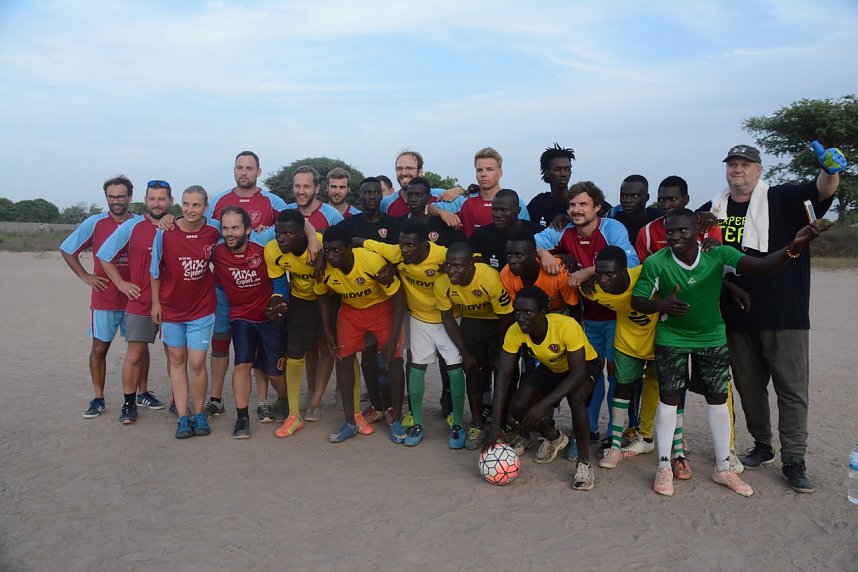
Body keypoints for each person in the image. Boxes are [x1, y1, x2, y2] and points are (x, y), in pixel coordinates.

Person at [631, 208, 823, 497]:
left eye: (682, 231)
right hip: (672, 337)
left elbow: (761, 267)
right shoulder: (657, 262)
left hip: (711, 337)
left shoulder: (717, 253)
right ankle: (664, 467)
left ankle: (723, 468)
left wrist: (794, 246)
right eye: (670, 232)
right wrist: (660, 306)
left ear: (697, 232)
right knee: (669, 400)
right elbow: (638, 300)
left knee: (718, 399)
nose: (674, 237)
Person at [704, 143, 845, 493]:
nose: (737, 169)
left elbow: (822, 191)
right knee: (749, 388)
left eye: (745, 164)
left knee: (792, 391)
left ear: (759, 170)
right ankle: (762, 446)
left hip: (785, 312)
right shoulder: (712, 209)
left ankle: (794, 460)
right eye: (732, 164)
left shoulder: (782, 199)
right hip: (736, 316)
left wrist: (830, 170)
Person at [535, 181, 638, 453]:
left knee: (618, 375)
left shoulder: (611, 228)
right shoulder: (566, 231)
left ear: (597, 207)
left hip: (617, 315)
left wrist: (588, 271)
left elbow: (632, 262)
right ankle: (589, 430)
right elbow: (532, 242)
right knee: (590, 376)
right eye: (572, 204)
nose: (576, 210)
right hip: (588, 317)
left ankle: (614, 435)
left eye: (583, 204)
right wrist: (545, 252)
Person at [360, 219, 468, 448]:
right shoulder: (397, 253)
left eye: (410, 245)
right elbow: (363, 242)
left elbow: (470, 260)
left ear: (425, 244)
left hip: (449, 317)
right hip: (419, 318)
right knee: (416, 368)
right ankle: (417, 422)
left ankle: (458, 423)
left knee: (455, 369)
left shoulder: (442, 255)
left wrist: (449, 267)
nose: (405, 250)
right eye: (402, 245)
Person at [484, 286, 601, 491]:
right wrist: (496, 424)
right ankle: (554, 438)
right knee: (518, 405)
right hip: (552, 367)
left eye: (528, 312)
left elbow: (578, 374)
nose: (521, 317)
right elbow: (503, 378)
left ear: (543, 312)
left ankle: (584, 463)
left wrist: (543, 405)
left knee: (576, 398)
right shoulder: (515, 331)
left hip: (583, 367)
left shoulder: (567, 326)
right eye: (517, 311)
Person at [204, 151, 289, 423]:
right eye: (239, 167)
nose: (244, 172)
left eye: (249, 168)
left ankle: (262, 402)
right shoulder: (218, 201)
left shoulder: (272, 201)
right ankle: (216, 400)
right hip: (224, 286)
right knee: (221, 341)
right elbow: (201, 228)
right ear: (234, 170)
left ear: (258, 172)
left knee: (254, 346)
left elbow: (295, 224)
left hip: (255, 285)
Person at [314, 225, 407, 444]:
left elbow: (399, 295)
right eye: (327, 251)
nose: (332, 255)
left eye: (336, 250)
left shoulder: (371, 262)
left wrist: (394, 335)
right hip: (351, 311)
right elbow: (322, 297)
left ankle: (396, 420)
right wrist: (328, 331)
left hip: (381, 308)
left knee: (393, 361)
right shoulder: (324, 268)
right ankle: (349, 421)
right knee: (343, 360)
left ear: (349, 248)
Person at [60, 175, 139, 419]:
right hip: (105, 297)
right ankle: (98, 397)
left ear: (130, 197)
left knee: (139, 350)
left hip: (135, 297)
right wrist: (85, 276)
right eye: (111, 197)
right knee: (99, 348)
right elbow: (67, 248)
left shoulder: (139, 223)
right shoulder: (94, 223)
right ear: (106, 198)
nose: (116, 201)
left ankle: (142, 393)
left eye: (121, 196)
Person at [96, 180, 174, 424]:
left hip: (172, 302)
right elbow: (105, 256)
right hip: (140, 301)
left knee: (175, 354)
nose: (156, 203)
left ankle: (176, 399)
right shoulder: (132, 227)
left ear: (171, 202)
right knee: (135, 354)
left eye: (162, 199)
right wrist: (120, 283)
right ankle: (129, 403)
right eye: (152, 198)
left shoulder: (177, 226)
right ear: (145, 200)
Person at [150, 186, 221, 439]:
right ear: (180, 205)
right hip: (171, 309)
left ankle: (199, 413)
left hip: (201, 308)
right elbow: (155, 270)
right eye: (186, 204)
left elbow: (235, 239)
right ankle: (183, 417)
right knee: (177, 360)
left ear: (205, 207)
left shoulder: (215, 230)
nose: (191, 210)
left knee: (197, 362)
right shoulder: (166, 231)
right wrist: (156, 304)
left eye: (197, 205)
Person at [579, 247, 659, 471]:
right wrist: (586, 274)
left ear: (625, 271)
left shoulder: (643, 274)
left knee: (664, 390)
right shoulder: (592, 291)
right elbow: (571, 282)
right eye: (599, 274)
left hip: (656, 341)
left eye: (610, 274)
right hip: (626, 342)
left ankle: (657, 439)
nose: (603, 280)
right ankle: (614, 446)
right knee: (622, 388)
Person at [212, 206, 289, 439]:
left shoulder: (263, 251)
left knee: (275, 373)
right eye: (225, 228)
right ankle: (242, 418)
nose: (229, 233)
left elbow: (280, 283)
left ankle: (284, 400)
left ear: (248, 229)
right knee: (242, 364)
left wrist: (279, 302)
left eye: (235, 227)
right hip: (241, 317)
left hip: (268, 318)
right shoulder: (217, 253)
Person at [434, 243, 514, 450]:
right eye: (449, 265)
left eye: (458, 266)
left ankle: (502, 424)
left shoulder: (489, 278)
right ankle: (477, 424)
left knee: (503, 372)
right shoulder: (443, 283)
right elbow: (448, 318)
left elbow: (506, 316)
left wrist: (499, 352)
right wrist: (465, 353)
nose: (452, 271)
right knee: (474, 371)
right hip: (472, 324)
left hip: (498, 324)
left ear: (471, 266)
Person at [264, 210, 333, 423]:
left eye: (288, 233)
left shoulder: (321, 244)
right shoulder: (272, 250)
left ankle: (316, 401)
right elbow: (280, 285)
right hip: (301, 299)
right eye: (278, 233)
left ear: (302, 234)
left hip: (328, 298)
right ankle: (305, 396)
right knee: (299, 349)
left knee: (326, 346)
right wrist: (278, 301)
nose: (282, 238)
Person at [431, 147, 531, 238]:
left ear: (500, 173)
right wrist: (443, 213)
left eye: (489, 169)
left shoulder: (514, 202)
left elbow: (527, 234)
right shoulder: (465, 199)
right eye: (479, 170)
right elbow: (430, 207)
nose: (483, 174)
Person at [501, 229, 580, 319]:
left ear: (533, 256)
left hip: (558, 312)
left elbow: (574, 307)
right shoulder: (505, 274)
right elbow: (515, 311)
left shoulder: (560, 270)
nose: (512, 261)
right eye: (509, 255)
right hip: (526, 315)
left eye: (518, 255)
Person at [469, 189, 543, 271]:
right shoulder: (482, 235)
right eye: (494, 209)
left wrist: (545, 254)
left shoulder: (537, 232)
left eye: (503, 210)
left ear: (517, 211)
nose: (497, 215)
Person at [379, 150, 464, 220]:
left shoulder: (440, 195)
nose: (403, 173)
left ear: (420, 171)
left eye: (409, 168)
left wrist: (462, 190)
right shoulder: (386, 203)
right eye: (399, 169)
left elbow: (470, 202)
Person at [400, 177, 465, 247]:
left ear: (429, 197)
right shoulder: (398, 223)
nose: (413, 199)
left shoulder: (443, 225)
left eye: (419, 195)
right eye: (410, 195)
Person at [527, 143, 575, 228]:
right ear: (547, 172)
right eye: (558, 169)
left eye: (567, 169)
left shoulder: (580, 202)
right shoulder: (538, 203)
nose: (563, 174)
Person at [606, 175, 661, 244]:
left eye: (635, 196)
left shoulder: (658, 220)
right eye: (624, 196)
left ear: (647, 197)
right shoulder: (615, 223)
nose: (628, 200)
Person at [288, 165, 345, 231]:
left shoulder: (333, 216)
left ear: (317, 188)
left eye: (306, 186)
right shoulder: (287, 211)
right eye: (297, 186)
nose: (301, 191)